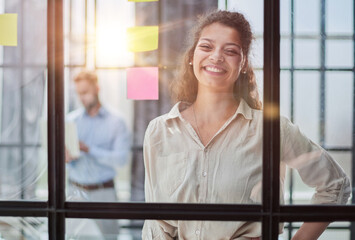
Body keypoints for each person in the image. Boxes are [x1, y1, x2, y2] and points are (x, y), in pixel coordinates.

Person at [142, 10, 351, 240]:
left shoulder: (271, 130)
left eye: (230, 51)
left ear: (243, 64)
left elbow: (335, 186)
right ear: (192, 56)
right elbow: (156, 223)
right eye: (207, 47)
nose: (216, 57)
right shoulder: (159, 131)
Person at [65, 70, 131, 239]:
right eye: (79, 93)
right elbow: (67, 160)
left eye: (85, 92)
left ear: (97, 89)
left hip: (104, 193)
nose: (82, 98)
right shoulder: (70, 121)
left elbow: (121, 160)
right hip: (75, 192)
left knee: (108, 237)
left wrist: (89, 149)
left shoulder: (116, 122)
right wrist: (66, 158)